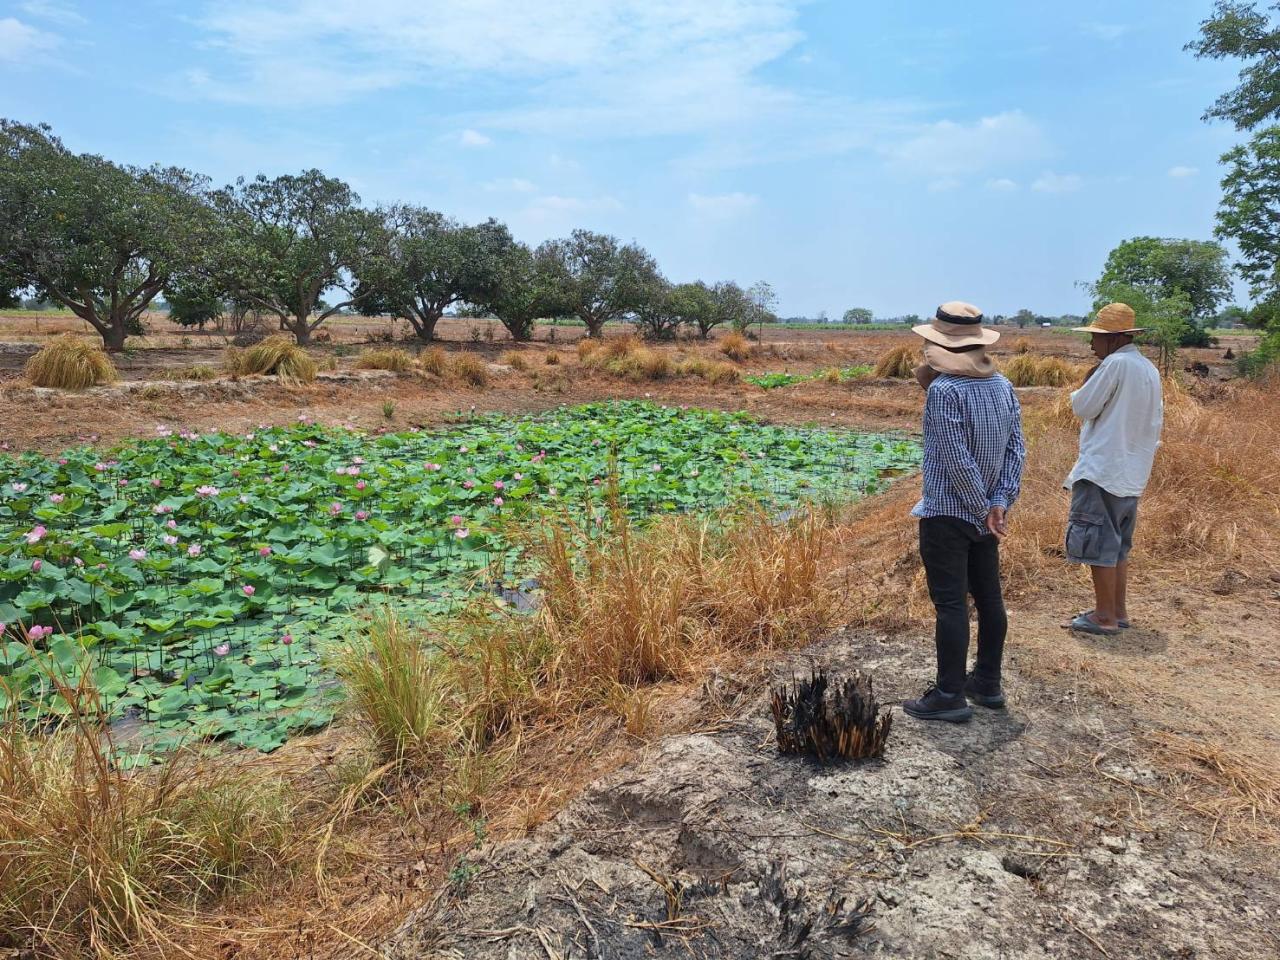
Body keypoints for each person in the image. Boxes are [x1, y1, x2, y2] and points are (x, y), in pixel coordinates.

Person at [903, 302, 1026, 723]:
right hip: (989, 513)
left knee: (952, 604)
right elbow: (1016, 449)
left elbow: (954, 459)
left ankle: (949, 694)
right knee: (989, 598)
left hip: (947, 514)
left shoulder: (945, 392)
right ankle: (987, 683)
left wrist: (980, 508)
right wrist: (998, 504)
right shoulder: (1002, 386)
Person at [1064, 303, 1163, 636]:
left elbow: (1083, 406)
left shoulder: (1115, 363)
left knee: (1098, 543)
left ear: (1115, 338)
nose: (1092, 345)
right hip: (1132, 471)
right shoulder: (1147, 367)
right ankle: (1117, 611)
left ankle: (1104, 616)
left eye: (1096, 337)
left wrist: (1086, 380)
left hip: (1103, 469)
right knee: (1117, 546)